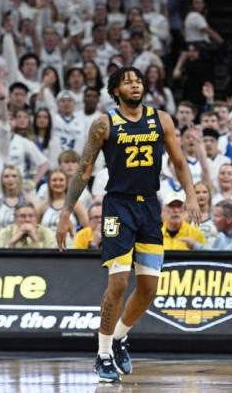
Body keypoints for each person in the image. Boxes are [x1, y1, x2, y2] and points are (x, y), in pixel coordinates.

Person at [55, 66, 200, 383]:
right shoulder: (103, 124)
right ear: (115, 90)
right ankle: (103, 352)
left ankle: (120, 337)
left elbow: (178, 162)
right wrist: (66, 211)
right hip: (117, 208)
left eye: (138, 81)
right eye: (127, 82)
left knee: (149, 288)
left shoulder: (161, 119)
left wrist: (190, 195)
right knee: (119, 283)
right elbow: (83, 169)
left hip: (150, 207)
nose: (135, 85)